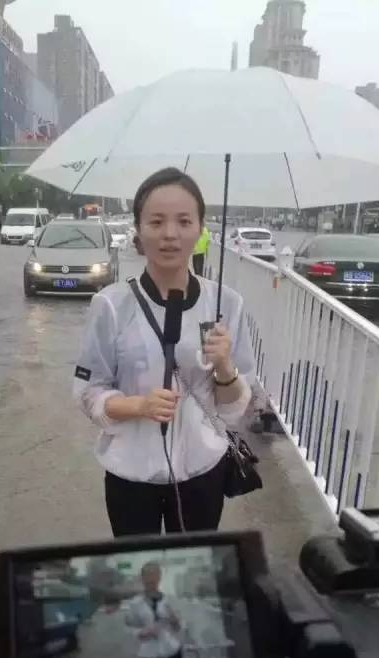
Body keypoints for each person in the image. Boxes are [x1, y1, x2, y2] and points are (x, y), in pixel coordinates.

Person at [72, 167, 254, 537]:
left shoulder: (226, 304)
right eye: (156, 222)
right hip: (131, 475)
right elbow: (87, 393)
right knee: (139, 574)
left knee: (193, 577)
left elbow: (235, 409)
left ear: (201, 229)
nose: (170, 234)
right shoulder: (110, 305)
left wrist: (224, 368)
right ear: (138, 229)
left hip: (202, 472)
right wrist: (138, 406)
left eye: (184, 221)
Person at [124, 562, 182, 658]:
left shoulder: (170, 600)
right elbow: (129, 628)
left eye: (154, 576)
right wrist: (141, 632)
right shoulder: (135, 604)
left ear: (159, 577)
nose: (151, 580)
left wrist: (175, 621)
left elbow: (178, 628)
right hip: (149, 656)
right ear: (142, 578)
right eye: (148, 576)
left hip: (172, 652)